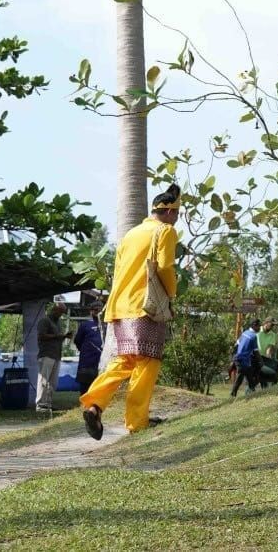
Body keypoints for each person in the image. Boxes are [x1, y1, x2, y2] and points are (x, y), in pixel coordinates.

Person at [79, 184, 181, 439]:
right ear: (169, 212)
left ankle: (94, 405)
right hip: (144, 306)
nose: (177, 219)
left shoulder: (131, 234)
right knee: (147, 361)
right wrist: (170, 296)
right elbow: (165, 267)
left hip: (119, 306)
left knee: (126, 359)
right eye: (177, 214)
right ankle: (137, 421)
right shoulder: (165, 231)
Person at [35, 301, 67, 412]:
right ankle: (40, 404)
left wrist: (64, 336)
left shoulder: (57, 323)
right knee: (44, 380)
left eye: (63, 313)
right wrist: (58, 336)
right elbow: (41, 336)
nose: (61, 315)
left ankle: (47, 404)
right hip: (46, 354)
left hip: (56, 355)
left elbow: (57, 337)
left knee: (52, 382)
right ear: (55, 310)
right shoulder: (44, 321)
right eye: (60, 312)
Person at [73, 310, 103, 394]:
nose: (97, 312)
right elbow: (77, 340)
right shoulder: (85, 325)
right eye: (95, 310)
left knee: (99, 387)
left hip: (102, 362)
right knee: (85, 387)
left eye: (100, 309)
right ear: (91, 312)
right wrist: (85, 350)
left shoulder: (107, 324)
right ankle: (84, 404)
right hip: (87, 362)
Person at [230, 319, 262, 397]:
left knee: (250, 376)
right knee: (240, 378)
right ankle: (232, 394)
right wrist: (261, 361)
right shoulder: (253, 336)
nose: (259, 328)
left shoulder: (245, 333)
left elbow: (236, 344)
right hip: (243, 360)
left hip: (240, 359)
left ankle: (253, 393)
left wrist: (234, 357)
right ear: (254, 326)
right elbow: (256, 351)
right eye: (258, 326)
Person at [256, 318, 278, 387]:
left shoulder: (273, 335)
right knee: (254, 379)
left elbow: (269, 348)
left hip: (264, 358)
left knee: (265, 378)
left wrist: (268, 357)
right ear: (266, 323)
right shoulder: (257, 331)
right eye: (271, 325)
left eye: (274, 325)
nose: (272, 327)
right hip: (254, 357)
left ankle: (265, 392)